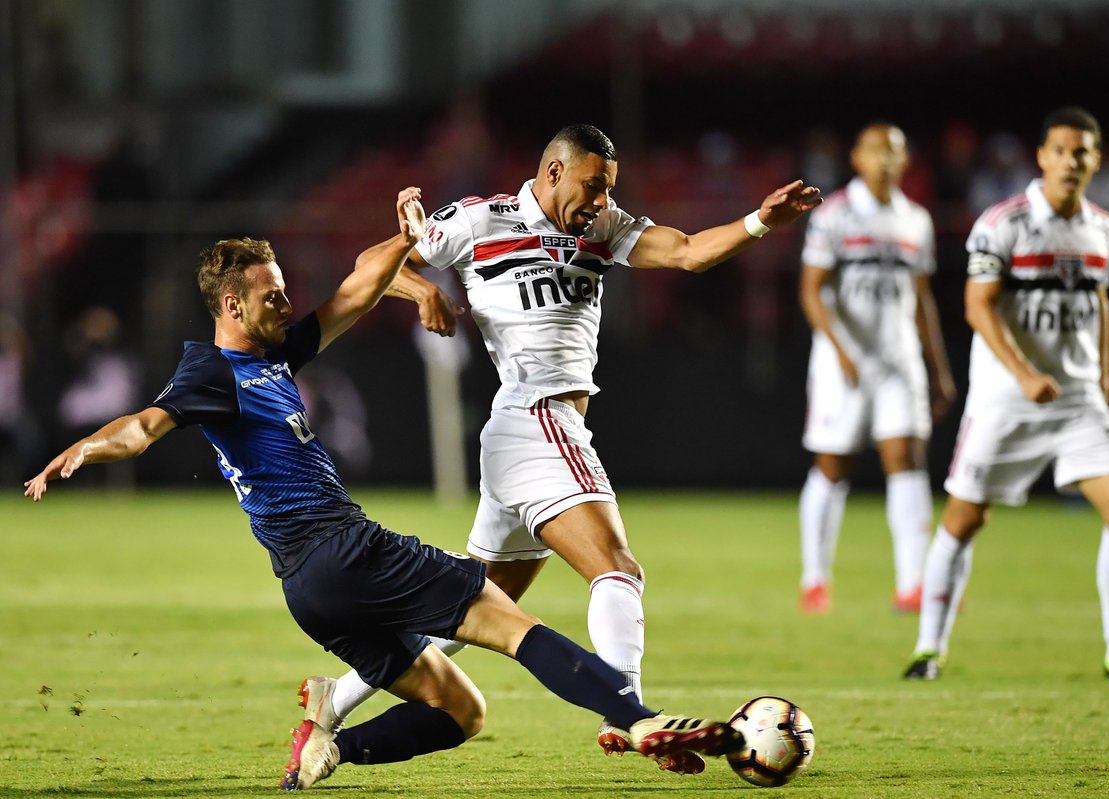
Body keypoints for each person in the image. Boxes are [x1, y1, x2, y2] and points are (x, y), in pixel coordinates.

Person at [24, 189, 745, 791]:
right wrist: (86, 447)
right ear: (232, 309)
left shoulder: (276, 354)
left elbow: (356, 289)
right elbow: (146, 425)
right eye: (271, 295)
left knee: (461, 710)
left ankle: (333, 745)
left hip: (309, 591)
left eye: (282, 289)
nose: (285, 301)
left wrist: (406, 242)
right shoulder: (212, 374)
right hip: (348, 550)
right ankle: (638, 717)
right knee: (512, 623)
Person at [305, 123, 822, 772]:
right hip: (537, 419)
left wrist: (759, 221)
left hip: (523, 436)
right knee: (617, 566)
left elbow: (687, 251)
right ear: (553, 172)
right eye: (594, 186)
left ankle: (331, 703)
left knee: (476, 607)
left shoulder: (601, 229)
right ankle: (626, 711)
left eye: (609, 189)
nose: (603, 201)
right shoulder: (479, 220)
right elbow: (375, 264)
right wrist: (423, 287)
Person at [902, 108, 1109, 680]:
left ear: (1095, 161)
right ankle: (928, 649)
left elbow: (1099, 302)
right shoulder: (1003, 222)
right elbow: (976, 306)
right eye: (1059, 150)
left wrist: (1103, 375)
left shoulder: (1102, 227)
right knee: (964, 518)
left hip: (1077, 397)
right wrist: (1024, 373)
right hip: (1006, 400)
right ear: (1041, 156)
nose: (1070, 161)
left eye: (1081, 152)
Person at [797, 122, 957, 615]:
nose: (885, 159)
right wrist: (840, 349)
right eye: (875, 150)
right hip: (842, 363)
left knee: (907, 462)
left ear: (905, 160)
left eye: (894, 151)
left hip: (899, 362)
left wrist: (939, 368)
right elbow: (811, 289)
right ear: (857, 158)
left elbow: (922, 298)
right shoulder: (836, 215)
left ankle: (913, 586)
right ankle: (815, 578)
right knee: (833, 465)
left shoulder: (915, 219)